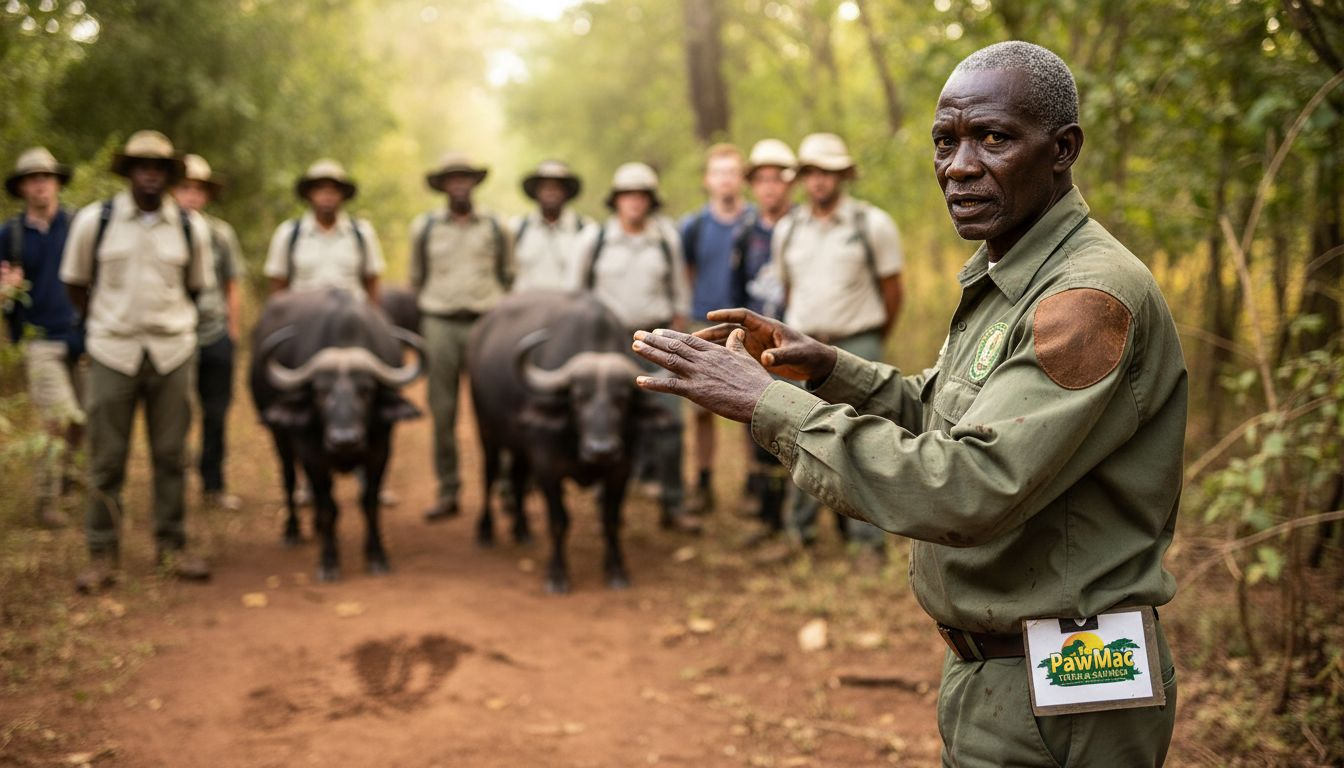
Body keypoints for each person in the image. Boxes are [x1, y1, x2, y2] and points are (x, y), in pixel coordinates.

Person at [631, 41, 1184, 766]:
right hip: (1006, 670)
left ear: (1062, 149)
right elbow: (946, 410)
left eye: (993, 138)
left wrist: (768, 404)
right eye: (945, 142)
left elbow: (969, 484)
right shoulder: (1012, 268)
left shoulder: (1084, 299)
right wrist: (830, 368)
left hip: (1070, 676)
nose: (958, 166)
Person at [60, 130, 215, 591]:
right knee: (107, 459)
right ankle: (102, 554)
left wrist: (166, 322)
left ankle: (172, 547)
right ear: (128, 171)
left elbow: (194, 286)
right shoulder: (96, 221)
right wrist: (107, 321)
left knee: (171, 455)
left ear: (170, 174)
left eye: (159, 167)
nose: (150, 174)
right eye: (141, 165)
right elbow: (76, 283)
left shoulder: (191, 227)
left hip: (171, 352)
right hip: (112, 351)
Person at [773, 131, 905, 564]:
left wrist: (869, 338)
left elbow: (892, 292)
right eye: (810, 172)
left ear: (842, 176)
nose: (818, 182)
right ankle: (799, 535)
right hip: (801, 342)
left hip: (857, 341)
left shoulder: (872, 224)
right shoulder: (788, 229)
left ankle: (867, 543)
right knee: (797, 434)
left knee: (862, 440)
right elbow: (789, 288)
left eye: (827, 172)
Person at [568, 162, 699, 533]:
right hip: (606, 345)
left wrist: (676, 344)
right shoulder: (593, 240)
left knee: (668, 422)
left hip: (658, 342)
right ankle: (605, 504)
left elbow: (679, 299)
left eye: (642, 196)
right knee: (604, 420)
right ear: (616, 200)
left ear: (651, 201)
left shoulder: (665, 239)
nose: (635, 203)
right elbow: (574, 299)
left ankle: (673, 503)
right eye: (628, 195)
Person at [413, 152, 513, 523]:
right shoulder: (424, 228)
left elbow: (508, 274)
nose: (459, 184)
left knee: (496, 410)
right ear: (441, 185)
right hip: (439, 323)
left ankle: (504, 488)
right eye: (451, 178)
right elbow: (416, 276)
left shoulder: (495, 226)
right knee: (442, 411)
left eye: (465, 177)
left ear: (474, 183)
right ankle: (448, 489)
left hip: (487, 324)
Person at [1, 147, 83, 528]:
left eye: (46, 178)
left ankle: (68, 480)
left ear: (57, 184)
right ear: (22, 188)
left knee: (84, 419)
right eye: (33, 179)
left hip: (81, 335)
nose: (40, 185)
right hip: (38, 339)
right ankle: (46, 499)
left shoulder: (78, 226)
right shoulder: (10, 235)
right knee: (57, 417)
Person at [679, 143, 753, 516]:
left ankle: (754, 483)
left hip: (747, 325)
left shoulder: (754, 221)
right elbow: (689, 271)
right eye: (718, 172)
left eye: (731, 172)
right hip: (702, 322)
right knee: (700, 409)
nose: (725, 179)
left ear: (742, 178)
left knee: (752, 404)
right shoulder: (693, 226)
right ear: (708, 180)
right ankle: (703, 481)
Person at [729, 139, 796, 542]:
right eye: (762, 180)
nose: (770, 188)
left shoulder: (803, 226)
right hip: (759, 345)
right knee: (761, 426)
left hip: (798, 341)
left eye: (777, 179)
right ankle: (768, 517)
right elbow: (737, 293)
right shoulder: (745, 235)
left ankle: (811, 519)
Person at [172, 154, 244, 511]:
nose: (192, 196)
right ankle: (175, 483)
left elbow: (233, 283)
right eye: (185, 188)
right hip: (175, 337)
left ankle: (213, 485)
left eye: (199, 190)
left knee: (215, 413)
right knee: (176, 414)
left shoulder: (220, 234)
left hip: (214, 333)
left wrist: (232, 330)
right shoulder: (163, 231)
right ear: (173, 191)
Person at [263, 159, 384, 301]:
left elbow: (372, 282)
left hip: (350, 317)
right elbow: (278, 285)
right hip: (304, 316)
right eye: (320, 189)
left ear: (342, 195)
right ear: (309, 194)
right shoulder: (288, 233)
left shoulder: (362, 232)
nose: (327, 195)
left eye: (334, 189)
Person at [511, 160, 592, 292]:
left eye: (556, 187)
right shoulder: (517, 228)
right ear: (536, 192)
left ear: (566, 192)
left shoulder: (586, 230)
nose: (551, 192)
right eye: (545, 187)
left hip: (569, 309)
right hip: (527, 309)